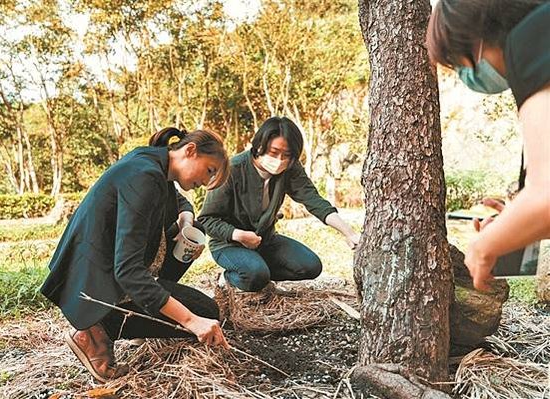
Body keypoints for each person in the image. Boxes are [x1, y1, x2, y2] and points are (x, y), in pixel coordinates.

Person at [40, 127, 231, 383]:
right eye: (209, 170)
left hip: (101, 271)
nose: (207, 182)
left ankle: (135, 313)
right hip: (94, 283)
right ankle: (97, 330)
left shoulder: (152, 163)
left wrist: (187, 220)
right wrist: (192, 321)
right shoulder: (144, 177)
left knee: (193, 232)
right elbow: (128, 271)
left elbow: (176, 200)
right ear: (190, 150)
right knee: (206, 311)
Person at [426, 0, 550, 291]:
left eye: (457, 62)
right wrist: (516, 224)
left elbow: (546, 198)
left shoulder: (528, 41)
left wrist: (484, 247)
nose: (464, 74)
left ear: (474, 37)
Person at [198, 116, 361, 292]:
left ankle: (257, 271)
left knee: (311, 266)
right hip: (229, 244)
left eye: (287, 155)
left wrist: (349, 233)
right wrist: (238, 234)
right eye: (274, 152)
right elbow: (207, 219)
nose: (279, 160)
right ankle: (231, 276)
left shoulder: (290, 169)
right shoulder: (233, 169)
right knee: (255, 275)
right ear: (260, 145)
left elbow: (313, 200)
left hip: (265, 240)